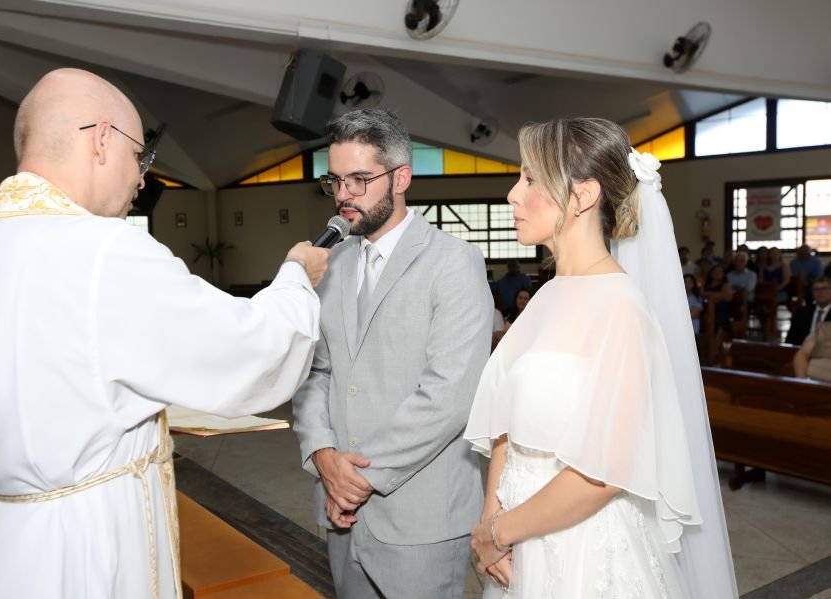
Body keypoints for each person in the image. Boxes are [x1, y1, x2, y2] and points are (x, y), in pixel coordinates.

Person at [0, 68, 331, 599]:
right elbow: (250, 350)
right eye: (138, 157)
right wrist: (297, 279)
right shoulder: (104, 251)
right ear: (101, 139)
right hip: (85, 554)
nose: (142, 179)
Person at [464, 118, 737, 598]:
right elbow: (504, 424)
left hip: (581, 550)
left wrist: (496, 534)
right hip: (517, 536)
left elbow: (602, 475)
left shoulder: (621, 310)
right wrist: (491, 518)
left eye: (530, 178)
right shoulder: (546, 296)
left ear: (583, 195)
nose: (512, 194)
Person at [292, 109, 492, 599]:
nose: (344, 196)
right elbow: (314, 372)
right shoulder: (331, 263)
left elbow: (449, 394)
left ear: (401, 177)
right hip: (341, 509)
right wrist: (323, 456)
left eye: (360, 179)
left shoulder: (453, 261)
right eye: (336, 181)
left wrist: (358, 477)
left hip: (418, 516)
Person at [786, 276, 831, 345]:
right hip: (803, 350)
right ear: (812, 293)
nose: (820, 292)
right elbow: (790, 340)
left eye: (824, 289)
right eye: (816, 289)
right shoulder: (801, 312)